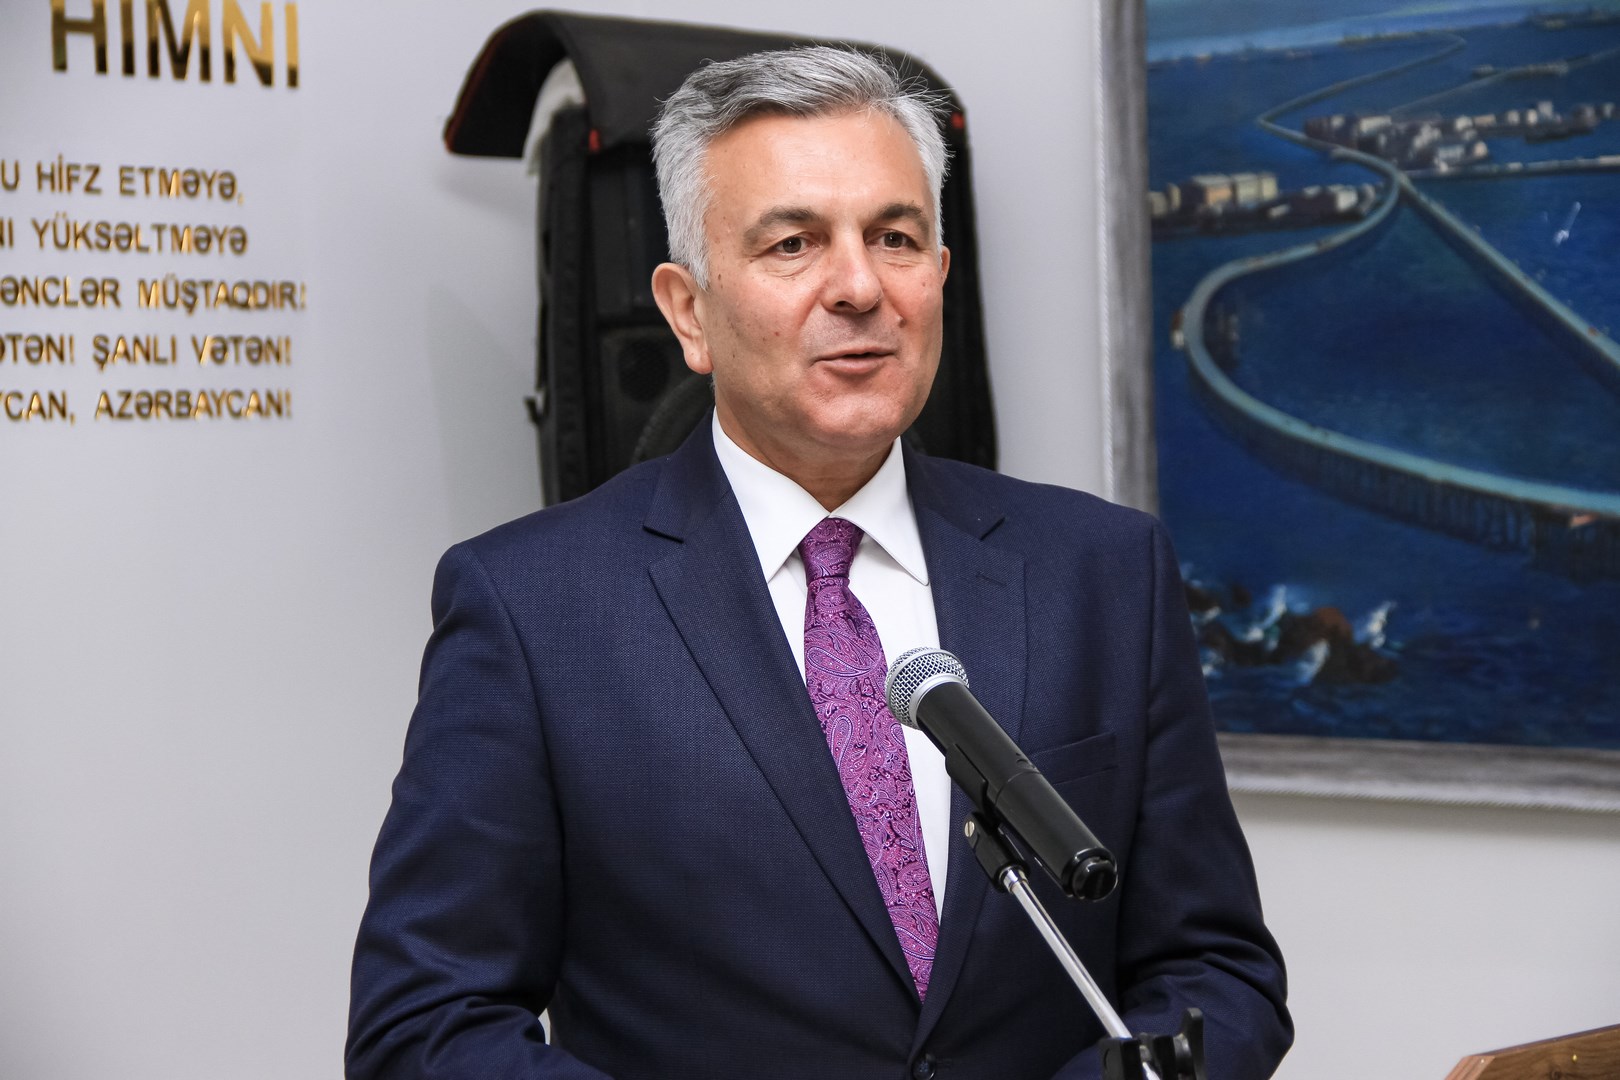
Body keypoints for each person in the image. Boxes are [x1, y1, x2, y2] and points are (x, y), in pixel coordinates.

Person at [347, 46, 1290, 1080]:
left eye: (895, 237)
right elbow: (425, 1028)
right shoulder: (534, 607)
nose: (859, 287)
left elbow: (1214, 969)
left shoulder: (1104, 573)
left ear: (938, 277)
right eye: (793, 243)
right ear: (689, 311)